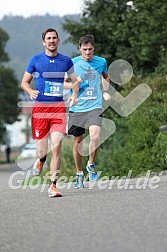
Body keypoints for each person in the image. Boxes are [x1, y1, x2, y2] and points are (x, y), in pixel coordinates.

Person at [21, 28, 78, 197]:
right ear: (43, 42)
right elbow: (24, 81)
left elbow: (75, 81)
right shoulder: (35, 59)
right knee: (42, 151)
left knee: (57, 146)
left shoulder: (66, 61)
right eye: (49, 38)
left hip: (58, 109)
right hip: (40, 110)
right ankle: (41, 160)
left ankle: (53, 185)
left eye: (54, 38)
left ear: (58, 41)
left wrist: (74, 95)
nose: (52, 41)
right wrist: (29, 91)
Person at [64, 34, 111, 189]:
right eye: (84, 49)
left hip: (94, 106)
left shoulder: (101, 62)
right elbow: (64, 83)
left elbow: (105, 77)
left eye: (90, 49)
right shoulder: (72, 63)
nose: (88, 52)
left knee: (95, 135)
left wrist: (105, 91)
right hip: (77, 107)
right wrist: (74, 82)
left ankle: (91, 165)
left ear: (93, 48)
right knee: (78, 142)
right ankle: (79, 173)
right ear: (80, 49)